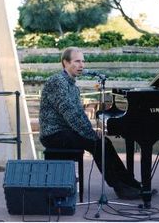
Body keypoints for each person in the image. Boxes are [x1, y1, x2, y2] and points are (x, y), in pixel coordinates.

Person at [39, 46, 141, 200]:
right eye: (77, 61)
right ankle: (120, 188)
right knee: (98, 144)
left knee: (104, 142)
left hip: (66, 131)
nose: (82, 65)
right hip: (53, 134)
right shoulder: (57, 82)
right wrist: (91, 133)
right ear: (65, 63)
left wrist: (92, 130)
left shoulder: (72, 86)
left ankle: (131, 184)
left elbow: (79, 114)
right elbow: (71, 114)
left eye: (83, 61)